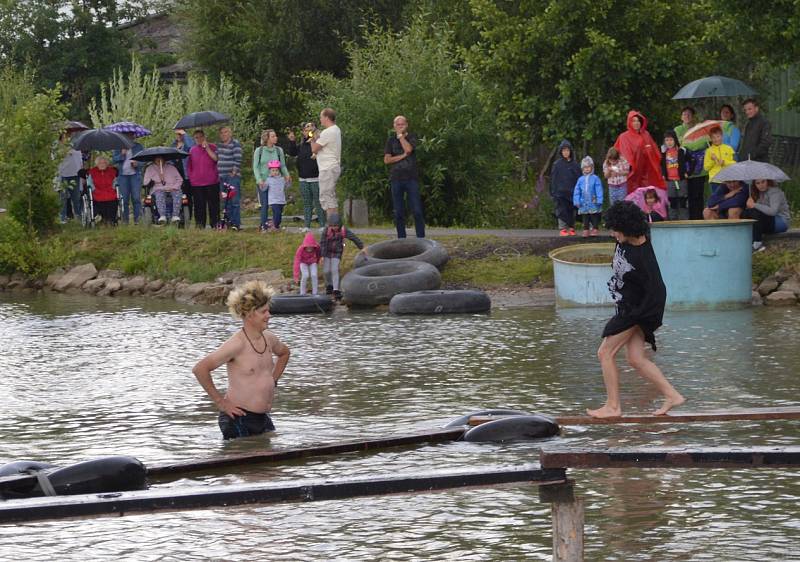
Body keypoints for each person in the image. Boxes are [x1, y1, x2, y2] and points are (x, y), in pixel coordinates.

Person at [587, 201, 685, 418]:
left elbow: (658, 290)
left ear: (627, 227)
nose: (613, 234)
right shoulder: (625, 241)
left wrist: (640, 318)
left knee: (605, 352)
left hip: (636, 311)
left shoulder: (642, 254)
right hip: (626, 307)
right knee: (635, 359)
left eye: (615, 229)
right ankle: (672, 395)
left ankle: (613, 407)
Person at [192, 280, 290, 440]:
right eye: (264, 312)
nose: (269, 315)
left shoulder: (270, 338)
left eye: (268, 311)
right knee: (245, 462)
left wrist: (273, 380)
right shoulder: (236, 344)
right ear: (250, 314)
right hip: (237, 418)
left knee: (270, 464)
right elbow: (200, 369)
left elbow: (285, 353)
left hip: (263, 418)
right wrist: (221, 403)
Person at [384, 115, 425, 239]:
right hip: (396, 179)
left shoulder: (412, 137)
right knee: (398, 212)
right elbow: (387, 160)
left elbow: (408, 149)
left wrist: (401, 136)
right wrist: (402, 156)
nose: (400, 126)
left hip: (411, 178)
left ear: (406, 125)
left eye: (402, 124)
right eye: (398, 124)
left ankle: (421, 239)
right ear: (394, 126)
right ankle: (401, 239)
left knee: (416, 210)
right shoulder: (390, 140)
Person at [613, 110, 665, 193]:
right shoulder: (624, 137)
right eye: (633, 121)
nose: (636, 123)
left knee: (647, 194)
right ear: (629, 122)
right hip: (632, 173)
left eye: (638, 121)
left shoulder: (646, 134)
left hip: (647, 172)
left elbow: (655, 152)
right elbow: (622, 155)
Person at [287, 122, 324, 230]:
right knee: (307, 203)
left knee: (318, 202)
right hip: (303, 178)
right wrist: (292, 141)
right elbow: (293, 153)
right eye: (305, 129)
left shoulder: (317, 143)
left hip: (316, 178)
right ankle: (307, 226)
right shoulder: (302, 145)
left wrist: (313, 137)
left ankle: (322, 225)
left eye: (309, 129)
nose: (307, 131)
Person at [319, 212, 365, 300]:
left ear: (339, 224)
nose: (334, 228)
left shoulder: (344, 230)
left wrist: (362, 247)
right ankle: (329, 286)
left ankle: (336, 289)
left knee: (334, 269)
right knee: (326, 271)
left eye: (335, 226)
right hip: (327, 253)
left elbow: (354, 238)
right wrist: (322, 256)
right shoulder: (326, 230)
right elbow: (323, 243)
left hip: (337, 253)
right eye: (332, 226)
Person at [253, 129, 291, 232]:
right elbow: (255, 167)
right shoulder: (259, 151)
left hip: (276, 182)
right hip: (264, 182)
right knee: (264, 204)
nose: (276, 138)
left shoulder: (279, 150)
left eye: (275, 136)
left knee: (277, 204)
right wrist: (259, 179)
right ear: (267, 138)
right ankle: (263, 226)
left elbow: (282, 165)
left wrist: (287, 175)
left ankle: (276, 225)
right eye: (273, 136)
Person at [674, 106, 708, 219]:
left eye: (689, 114)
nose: (687, 116)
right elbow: (679, 144)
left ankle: (699, 218)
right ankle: (686, 219)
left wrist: (689, 144)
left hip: (699, 168)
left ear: (693, 117)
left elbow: (703, 143)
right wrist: (694, 144)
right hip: (685, 167)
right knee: (685, 195)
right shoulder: (678, 129)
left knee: (698, 195)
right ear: (681, 117)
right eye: (684, 114)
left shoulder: (700, 128)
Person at [743, 179, 791, 251]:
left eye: (763, 182)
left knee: (754, 213)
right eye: (758, 183)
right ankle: (749, 241)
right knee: (746, 213)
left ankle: (758, 243)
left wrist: (754, 205)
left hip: (781, 222)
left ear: (768, 181)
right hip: (769, 221)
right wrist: (749, 205)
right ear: (755, 185)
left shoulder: (775, 192)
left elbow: (773, 211)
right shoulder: (761, 193)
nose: (761, 185)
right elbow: (760, 210)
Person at [186, 129, 219, 229]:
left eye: (201, 137)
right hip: (197, 183)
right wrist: (191, 178)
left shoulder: (213, 147)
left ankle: (215, 224)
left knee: (213, 205)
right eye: (196, 137)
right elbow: (189, 166)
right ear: (194, 139)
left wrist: (207, 148)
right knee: (199, 206)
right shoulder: (192, 150)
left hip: (212, 181)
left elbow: (216, 159)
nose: (199, 139)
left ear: (204, 137)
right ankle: (200, 225)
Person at [311, 107, 342, 216]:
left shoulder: (328, 132)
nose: (320, 119)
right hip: (333, 166)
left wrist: (312, 138)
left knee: (326, 197)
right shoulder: (336, 129)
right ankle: (335, 226)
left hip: (327, 168)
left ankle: (332, 227)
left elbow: (314, 149)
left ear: (327, 118)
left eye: (321, 117)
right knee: (330, 196)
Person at [549, 140, 581, 236]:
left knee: (572, 211)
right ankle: (563, 228)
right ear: (561, 152)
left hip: (572, 192)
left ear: (570, 151)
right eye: (564, 150)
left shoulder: (575, 165)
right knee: (561, 210)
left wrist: (579, 192)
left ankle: (571, 227)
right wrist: (553, 192)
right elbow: (553, 179)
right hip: (560, 193)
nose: (566, 152)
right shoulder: (557, 165)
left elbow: (579, 179)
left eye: (567, 150)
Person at [112, 133, 144, 225]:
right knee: (124, 199)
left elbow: (143, 159)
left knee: (136, 198)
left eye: (131, 136)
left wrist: (137, 164)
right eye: (128, 136)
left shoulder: (138, 146)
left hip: (135, 175)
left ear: (134, 137)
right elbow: (114, 160)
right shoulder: (118, 147)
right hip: (122, 176)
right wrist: (122, 154)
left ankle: (138, 220)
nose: (130, 138)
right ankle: (125, 220)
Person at [217, 126, 243, 230]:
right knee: (225, 201)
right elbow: (216, 158)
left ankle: (236, 223)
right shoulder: (219, 146)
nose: (224, 134)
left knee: (234, 200)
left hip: (232, 176)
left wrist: (234, 171)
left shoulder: (235, 144)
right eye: (222, 133)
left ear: (230, 133)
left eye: (226, 132)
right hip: (221, 177)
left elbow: (238, 158)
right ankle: (228, 221)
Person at [143, 157, 184, 223]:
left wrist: (174, 187)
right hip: (158, 188)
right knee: (159, 194)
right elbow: (145, 182)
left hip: (172, 187)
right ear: (154, 160)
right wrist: (158, 177)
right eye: (157, 159)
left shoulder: (171, 167)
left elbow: (180, 179)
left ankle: (175, 215)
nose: (159, 160)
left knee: (178, 193)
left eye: (161, 158)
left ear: (164, 159)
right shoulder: (150, 168)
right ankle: (162, 215)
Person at [660, 130, 689, 220]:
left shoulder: (681, 151)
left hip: (681, 180)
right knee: (672, 201)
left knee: (683, 201)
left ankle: (684, 221)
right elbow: (661, 164)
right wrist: (663, 174)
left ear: (675, 140)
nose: (669, 142)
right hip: (670, 181)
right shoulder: (663, 152)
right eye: (667, 140)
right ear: (664, 142)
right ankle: (673, 221)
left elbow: (692, 161)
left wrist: (688, 172)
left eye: (671, 140)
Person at [573, 156, 603, 237]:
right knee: (585, 216)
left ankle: (595, 228)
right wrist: (576, 200)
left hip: (593, 201)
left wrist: (600, 199)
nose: (587, 169)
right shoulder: (580, 179)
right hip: (583, 202)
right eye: (585, 167)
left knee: (594, 216)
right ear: (582, 168)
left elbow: (599, 189)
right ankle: (586, 229)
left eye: (588, 167)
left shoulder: (595, 178)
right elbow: (577, 191)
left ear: (592, 167)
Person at [58, 134, 85, 223]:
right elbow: (55, 159)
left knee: (76, 197)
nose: (68, 139)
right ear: (61, 139)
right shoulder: (57, 148)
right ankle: (63, 217)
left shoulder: (77, 148)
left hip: (75, 175)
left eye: (69, 138)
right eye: (65, 138)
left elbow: (80, 162)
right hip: (64, 175)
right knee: (63, 198)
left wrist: (82, 176)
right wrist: (65, 152)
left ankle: (79, 216)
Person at [86, 155, 118, 225]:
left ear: (107, 164)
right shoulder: (92, 171)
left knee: (113, 199)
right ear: (97, 164)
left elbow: (115, 182)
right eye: (100, 163)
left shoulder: (111, 171)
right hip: (97, 192)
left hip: (109, 191)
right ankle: (102, 218)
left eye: (104, 163)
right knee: (98, 200)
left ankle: (111, 219)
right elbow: (89, 183)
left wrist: (113, 188)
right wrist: (94, 190)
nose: (102, 164)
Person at [703, 127, 736, 193]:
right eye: (713, 137)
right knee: (717, 199)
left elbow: (734, 163)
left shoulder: (729, 148)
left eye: (718, 136)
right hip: (715, 180)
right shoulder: (709, 151)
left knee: (728, 199)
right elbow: (706, 168)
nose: (716, 139)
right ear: (711, 138)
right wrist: (712, 160)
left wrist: (724, 162)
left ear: (722, 136)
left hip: (728, 179)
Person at [172, 128, 195, 218]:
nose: (178, 136)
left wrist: (185, 134)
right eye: (177, 134)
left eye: (180, 134)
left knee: (187, 196)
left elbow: (192, 146)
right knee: (177, 195)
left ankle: (187, 217)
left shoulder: (187, 144)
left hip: (186, 174)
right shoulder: (173, 145)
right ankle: (178, 216)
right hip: (175, 175)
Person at [266, 160, 287, 231]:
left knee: (279, 215)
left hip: (281, 200)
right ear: (270, 171)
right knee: (277, 213)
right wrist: (262, 185)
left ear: (279, 171)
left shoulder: (282, 179)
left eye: (276, 170)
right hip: (273, 200)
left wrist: (289, 181)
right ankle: (275, 226)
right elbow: (264, 189)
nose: (275, 172)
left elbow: (287, 186)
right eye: (273, 170)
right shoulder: (268, 179)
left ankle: (274, 224)